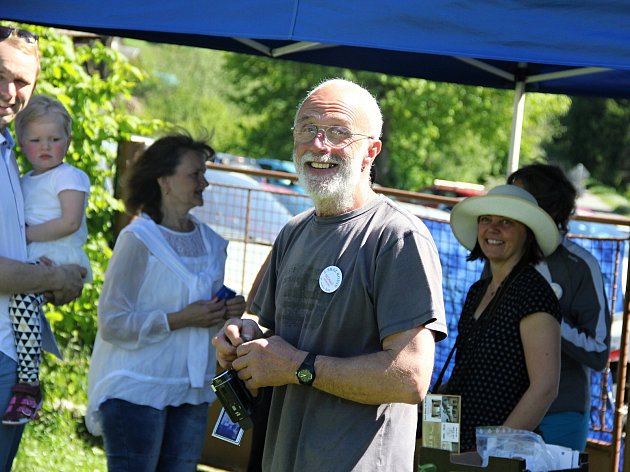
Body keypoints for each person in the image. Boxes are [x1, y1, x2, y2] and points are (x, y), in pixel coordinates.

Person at [213, 78, 448, 471]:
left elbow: (410, 378)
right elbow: (264, 327)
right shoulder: (295, 231)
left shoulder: (397, 237)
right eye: (307, 128)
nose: (319, 145)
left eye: (338, 133)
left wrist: (299, 367)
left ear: (371, 151)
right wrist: (240, 339)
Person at [86, 133, 246, 472]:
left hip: (192, 390)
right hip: (137, 388)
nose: (205, 183)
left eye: (204, 173)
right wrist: (179, 318)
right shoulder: (137, 239)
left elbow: (208, 322)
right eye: (195, 174)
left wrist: (227, 313)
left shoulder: (212, 243)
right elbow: (112, 321)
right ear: (164, 181)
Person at [0, 25, 86, 471]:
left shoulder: (9, 149)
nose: (10, 92)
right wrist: (52, 277)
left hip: (12, 347)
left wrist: (53, 277)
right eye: (0, 75)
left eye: (21, 82)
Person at [443, 184, 563, 451]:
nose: (493, 229)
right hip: (460, 447)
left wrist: (492, 451)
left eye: (506, 222)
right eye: (486, 219)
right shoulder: (478, 291)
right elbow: (469, 370)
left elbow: (545, 388)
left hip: (501, 456)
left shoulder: (533, 294)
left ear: (527, 234)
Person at [507, 163, 611, 451]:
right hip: (504, 410)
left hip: (561, 415)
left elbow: (599, 351)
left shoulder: (580, 266)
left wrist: (541, 320)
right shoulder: (500, 257)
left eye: (522, 201)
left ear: (550, 209)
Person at [2, 95, 92, 426]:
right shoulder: (23, 179)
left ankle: (29, 383)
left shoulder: (69, 176)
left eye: (55, 139)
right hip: (33, 253)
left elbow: (69, 222)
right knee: (19, 311)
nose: (46, 147)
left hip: (57, 254)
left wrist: (25, 235)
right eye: (36, 140)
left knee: (23, 304)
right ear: (21, 142)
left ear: (68, 140)